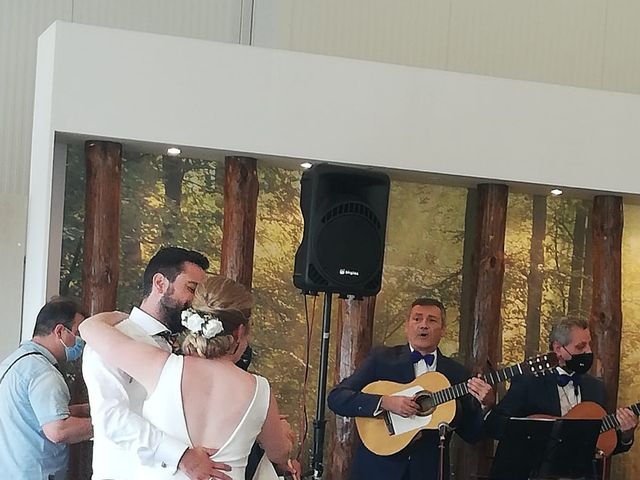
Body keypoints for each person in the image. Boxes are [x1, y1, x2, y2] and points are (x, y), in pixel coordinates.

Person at [79, 274, 294, 480]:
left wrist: (119, 316)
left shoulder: (159, 367)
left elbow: (88, 328)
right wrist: (283, 434)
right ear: (239, 331)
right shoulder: (260, 390)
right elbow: (279, 453)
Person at [82, 246, 229, 480]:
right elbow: (112, 418)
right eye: (191, 289)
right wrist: (182, 456)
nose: (196, 302)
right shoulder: (111, 339)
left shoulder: (184, 347)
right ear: (160, 283)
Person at [327, 297, 494, 480]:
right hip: (378, 470)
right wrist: (385, 402)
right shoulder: (381, 359)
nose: (423, 325)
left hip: (428, 472)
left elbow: (471, 434)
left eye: (432, 320)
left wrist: (486, 405)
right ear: (407, 326)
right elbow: (337, 398)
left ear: (443, 330)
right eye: (417, 319)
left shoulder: (457, 373)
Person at [485, 317, 638, 459]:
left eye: (589, 344)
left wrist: (626, 435)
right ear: (558, 349)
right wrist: (535, 429)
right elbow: (496, 424)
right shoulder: (529, 382)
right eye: (581, 347)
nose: (589, 352)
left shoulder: (595, 388)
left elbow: (605, 442)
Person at [0, 297, 93, 480]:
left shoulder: (16, 362)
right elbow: (59, 430)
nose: (82, 342)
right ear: (59, 331)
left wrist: (82, 410)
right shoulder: (44, 372)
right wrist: (106, 424)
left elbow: (32, 414)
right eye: (79, 333)